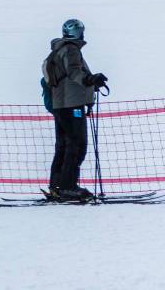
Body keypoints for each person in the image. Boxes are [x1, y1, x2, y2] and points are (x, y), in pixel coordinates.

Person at [42, 19, 108, 202]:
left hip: (61, 105)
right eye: (81, 31)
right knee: (77, 145)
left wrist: (90, 81)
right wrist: (90, 80)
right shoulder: (71, 49)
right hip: (72, 106)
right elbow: (74, 72)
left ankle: (57, 185)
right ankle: (68, 187)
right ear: (77, 33)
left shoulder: (58, 50)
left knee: (63, 145)